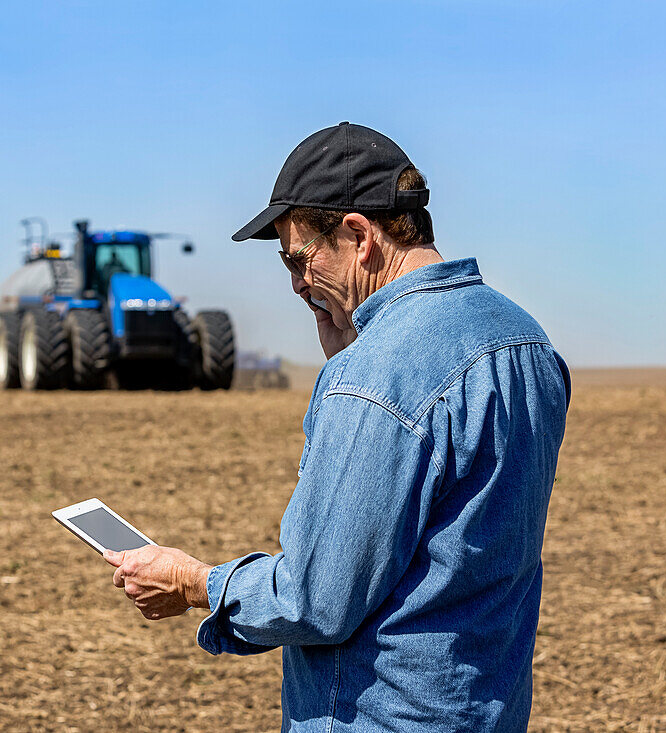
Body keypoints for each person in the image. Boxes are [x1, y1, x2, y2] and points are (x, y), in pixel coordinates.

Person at [103, 122, 570, 732]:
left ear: (358, 235)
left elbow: (317, 598)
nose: (298, 285)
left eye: (300, 260)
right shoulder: (524, 340)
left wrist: (195, 582)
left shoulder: (374, 376)